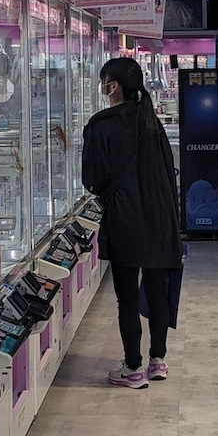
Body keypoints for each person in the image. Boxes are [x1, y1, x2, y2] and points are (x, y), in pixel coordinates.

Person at [83, 56, 182, 388]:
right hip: (160, 219)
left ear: (113, 86)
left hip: (125, 220)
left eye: (103, 83)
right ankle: (158, 360)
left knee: (126, 298)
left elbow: (92, 179)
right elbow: (167, 173)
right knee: (156, 293)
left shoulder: (100, 125)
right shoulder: (152, 122)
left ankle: (133, 368)